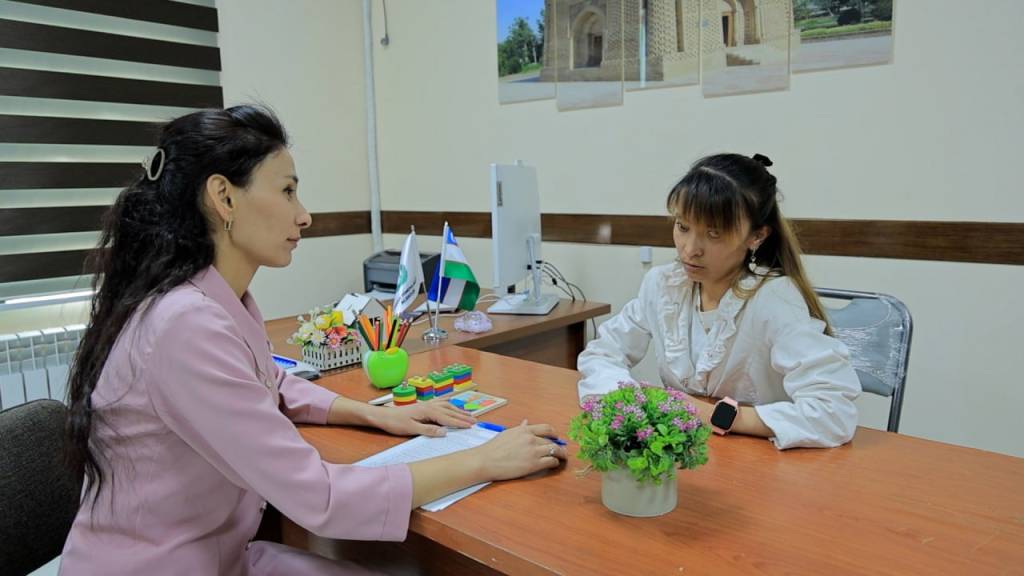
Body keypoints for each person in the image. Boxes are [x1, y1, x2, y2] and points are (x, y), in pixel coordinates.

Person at [60, 105, 567, 575]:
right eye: (287, 192)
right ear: (224, 197)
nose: (303, 215)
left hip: (215, 552)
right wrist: (485, 459)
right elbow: (322, 499)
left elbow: (269, 380)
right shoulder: (184, 324)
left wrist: (374, 414)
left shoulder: (213, 301)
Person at [577, 153, 860, 450]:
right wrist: (629, 403)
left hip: (758, 459)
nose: (690, 250)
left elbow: (834, 412)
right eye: (682, 227)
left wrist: (715, 416)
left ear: (757, 236)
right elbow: (603, 353)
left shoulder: (773, 299)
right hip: (685, 451)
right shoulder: (664, 285)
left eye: (714, 234)